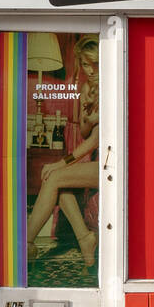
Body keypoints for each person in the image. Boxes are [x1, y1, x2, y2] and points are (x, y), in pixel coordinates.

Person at [26, 35, 100, 269]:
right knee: (58, 186)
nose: (89, 70)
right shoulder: (88, 88)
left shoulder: (114, 82)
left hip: (116, 160)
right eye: (85, 64)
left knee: (55, 175)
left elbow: (94, 143)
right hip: (101, 158)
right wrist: (89, 118)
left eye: (94, 64)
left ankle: (25, 244)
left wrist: (60, 164)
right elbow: (87, 133)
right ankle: (86, 239)